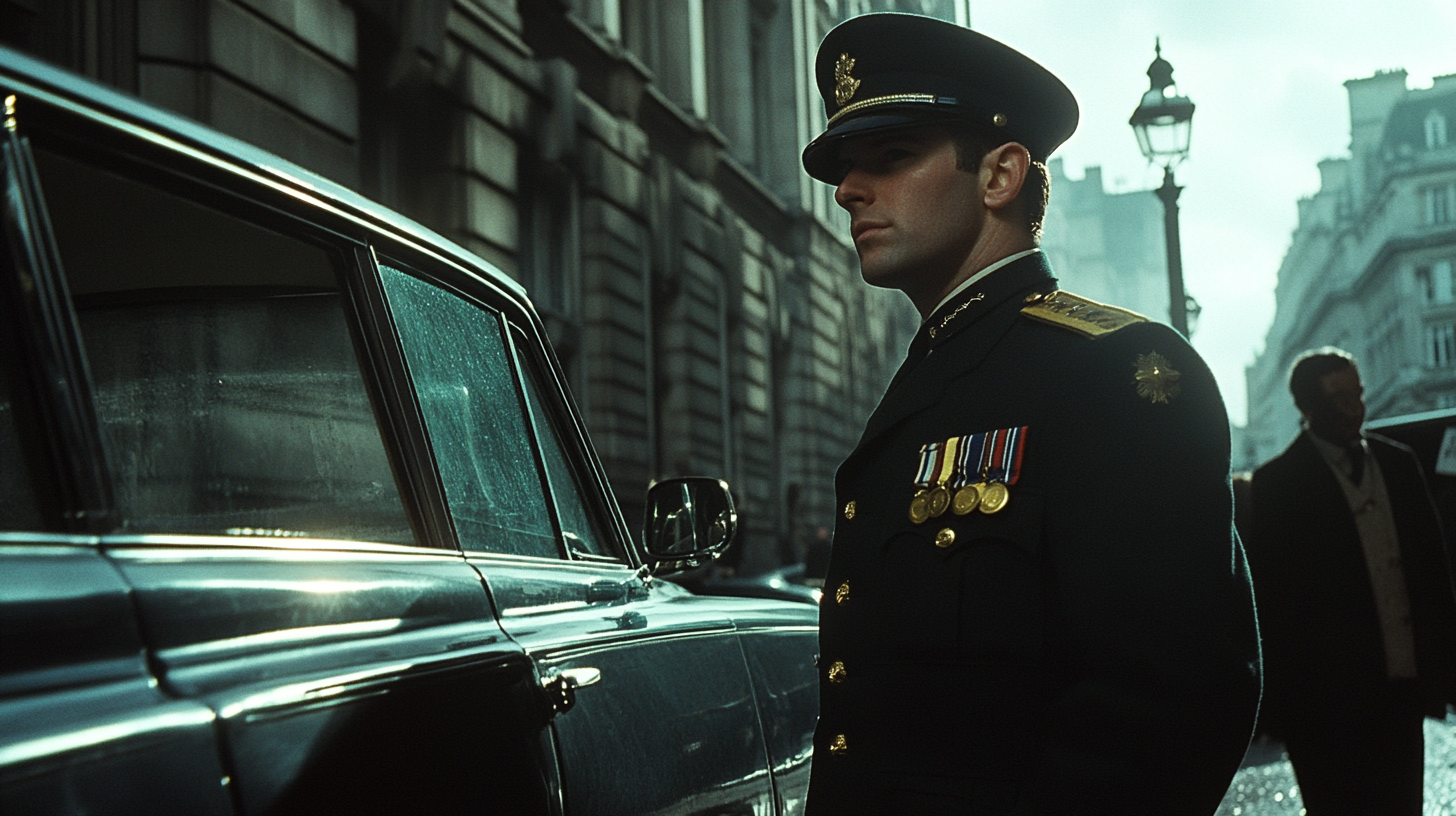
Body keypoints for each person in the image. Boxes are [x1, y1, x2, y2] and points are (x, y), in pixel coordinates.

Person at [799, 13, 1262, 814]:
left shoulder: (1116, 370)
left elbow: (1167, 714)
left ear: (1000, 176)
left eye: (893, 156)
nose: (847, 190)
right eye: (845, 166)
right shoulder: (932, 378)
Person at [1249, 348, 1456, 815]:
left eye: (1357, 394)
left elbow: (1431, 574)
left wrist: (1442, 667)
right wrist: (1281, 708)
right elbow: (1275, 605)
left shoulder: (1399, 464)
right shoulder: (1278, 485)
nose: (1356, 408)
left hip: (1399, 687)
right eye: (1339, 399)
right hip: (1325, 706)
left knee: (1404, 805)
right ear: (1307, 409)